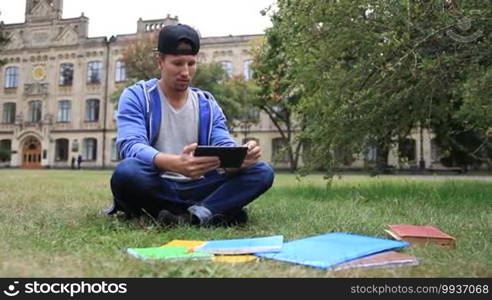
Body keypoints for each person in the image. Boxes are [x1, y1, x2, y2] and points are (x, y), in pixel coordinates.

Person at [107, 24, 274, 227]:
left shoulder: (207, 103)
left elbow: (221, 141)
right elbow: (130, 146)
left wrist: (239, 156)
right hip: (158, 183)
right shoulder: (137, 96)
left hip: (199, 184)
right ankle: (213, 210)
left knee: (262, 171)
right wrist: (174, 163)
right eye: (177, 63)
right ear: (160, 61)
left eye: (191, 63)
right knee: (128, 172)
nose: (185, 72)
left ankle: (188, 216)